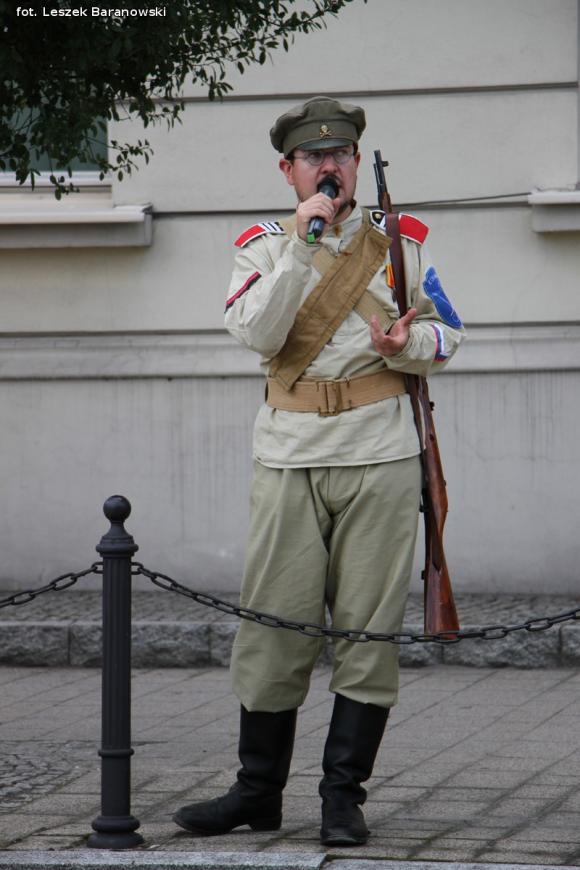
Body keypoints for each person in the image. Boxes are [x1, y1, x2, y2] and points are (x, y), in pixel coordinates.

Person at [173, 95, 464, 846]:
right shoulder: (265, 247)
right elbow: (257, 333)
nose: (329, 167)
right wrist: (304, 246)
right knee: (273, 632)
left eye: (340, 156)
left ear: (357, 163)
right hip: (290, 456)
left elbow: (448, 335)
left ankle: (343, 797)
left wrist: (405, 343)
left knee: (368, 635)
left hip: (380, 455)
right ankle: (256, 793)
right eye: (313, 157)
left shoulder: (401, 242)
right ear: (288, 170)